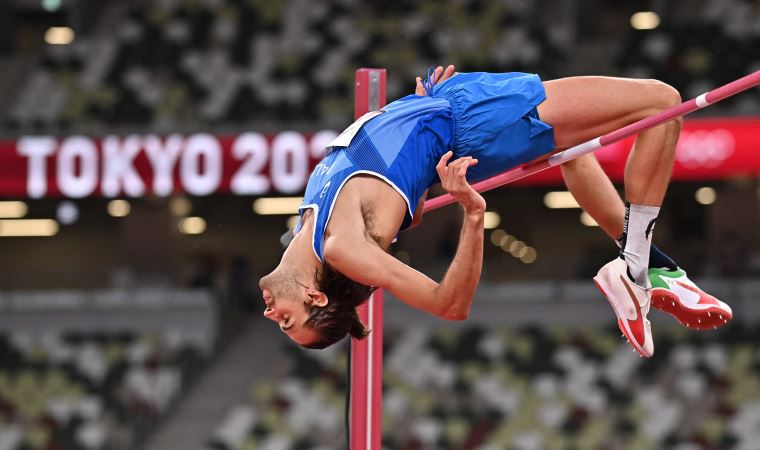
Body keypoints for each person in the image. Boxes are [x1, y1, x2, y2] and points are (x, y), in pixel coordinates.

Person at [259, 65, 732, 354]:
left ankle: (653, 269)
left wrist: (416, 111)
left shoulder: (308, 222)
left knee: (573, 149)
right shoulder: (343, 247)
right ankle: (636, 267)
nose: (269, 315)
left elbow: (404, 200)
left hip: (450, 105)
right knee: (661, 103)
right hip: (475, 121)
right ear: (314, 297)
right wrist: (472, 213)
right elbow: (450, 305)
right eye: (286, 320)